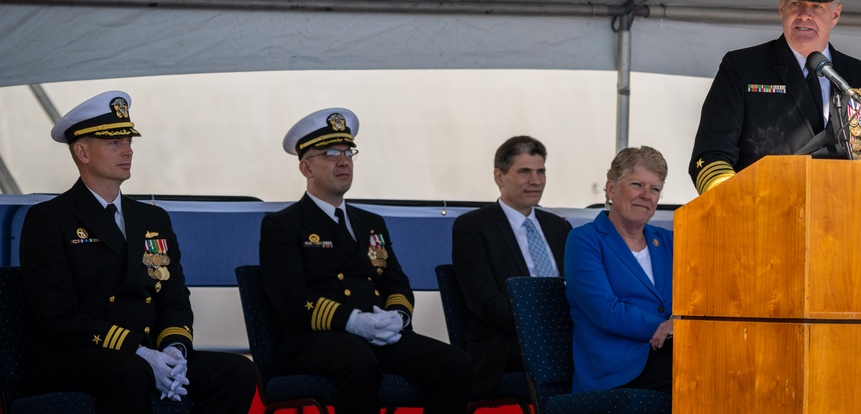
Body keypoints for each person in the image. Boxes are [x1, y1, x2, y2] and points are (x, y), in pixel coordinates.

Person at [18, 91, 258, 414]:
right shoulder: (50, 219)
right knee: (131, 373)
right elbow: (57, 316)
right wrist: (139, 352)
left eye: (129, 140)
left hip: (148, 351)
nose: (128, 150)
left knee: (238, 373)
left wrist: (175, 350)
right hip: (78, 355)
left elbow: (174, 299)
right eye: (114, 142)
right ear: (82, 152)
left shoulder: (152, 219)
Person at [258, 107, 472, 414]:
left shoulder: (370, 223)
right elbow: (290, 298)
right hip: (316, 339)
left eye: (348, 152)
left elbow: (395, 281)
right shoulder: (284, 224)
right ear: (306, 168)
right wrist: (353, 321)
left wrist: (397, 317)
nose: (344, 161)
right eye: (331, 153)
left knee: (455, 363)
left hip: (376, 334)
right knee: (358, 361)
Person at [690, 0, 861, 195]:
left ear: (835, 15)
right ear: (781, 9)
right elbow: (712, 154)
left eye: (817, 6)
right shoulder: (743, 68)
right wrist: (737, 205)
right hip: (763, 217)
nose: (804, 15)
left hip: (843, 223)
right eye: (796, 3)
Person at [451, 135, 573, 398]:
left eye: (541, 171)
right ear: (499, 176)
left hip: (565, 334)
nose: (536, 181)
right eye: (524, 172)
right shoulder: (473, 228)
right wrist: (543, 327)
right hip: (505, 343)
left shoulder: (559, 227)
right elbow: (485, 303)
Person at [563, 146, 673, 393]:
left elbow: (697, 298)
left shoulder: (670, 241)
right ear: (611, 189)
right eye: (637, 185)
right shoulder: (584, 240)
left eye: (655, 189)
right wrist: (665, 329)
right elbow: (605, 311)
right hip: (616, 369)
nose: (646, 195)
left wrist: (679, 323)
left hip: (673, 353)